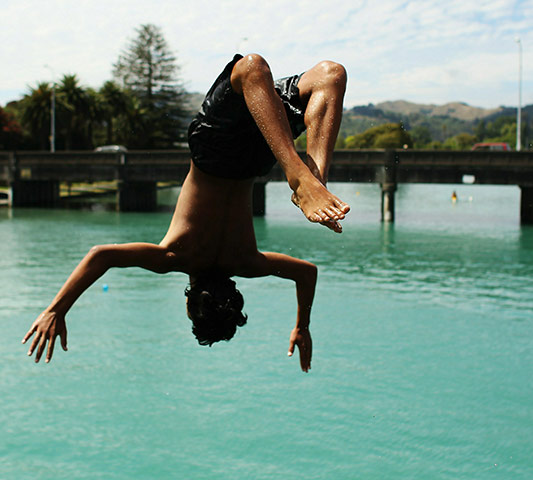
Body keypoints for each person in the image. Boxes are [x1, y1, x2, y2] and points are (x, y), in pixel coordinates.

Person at [22, 54, 351, 371]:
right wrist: (56, 309)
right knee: (252, 68)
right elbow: (100, 256)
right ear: (189, 302)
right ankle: (307, 180)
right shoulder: (173, 257)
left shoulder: (247, 263)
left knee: (329, 75)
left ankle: (311, 179)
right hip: (226, 146)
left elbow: (307, 273)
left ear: (236, 295)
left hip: (256, 155)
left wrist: (302, 325)